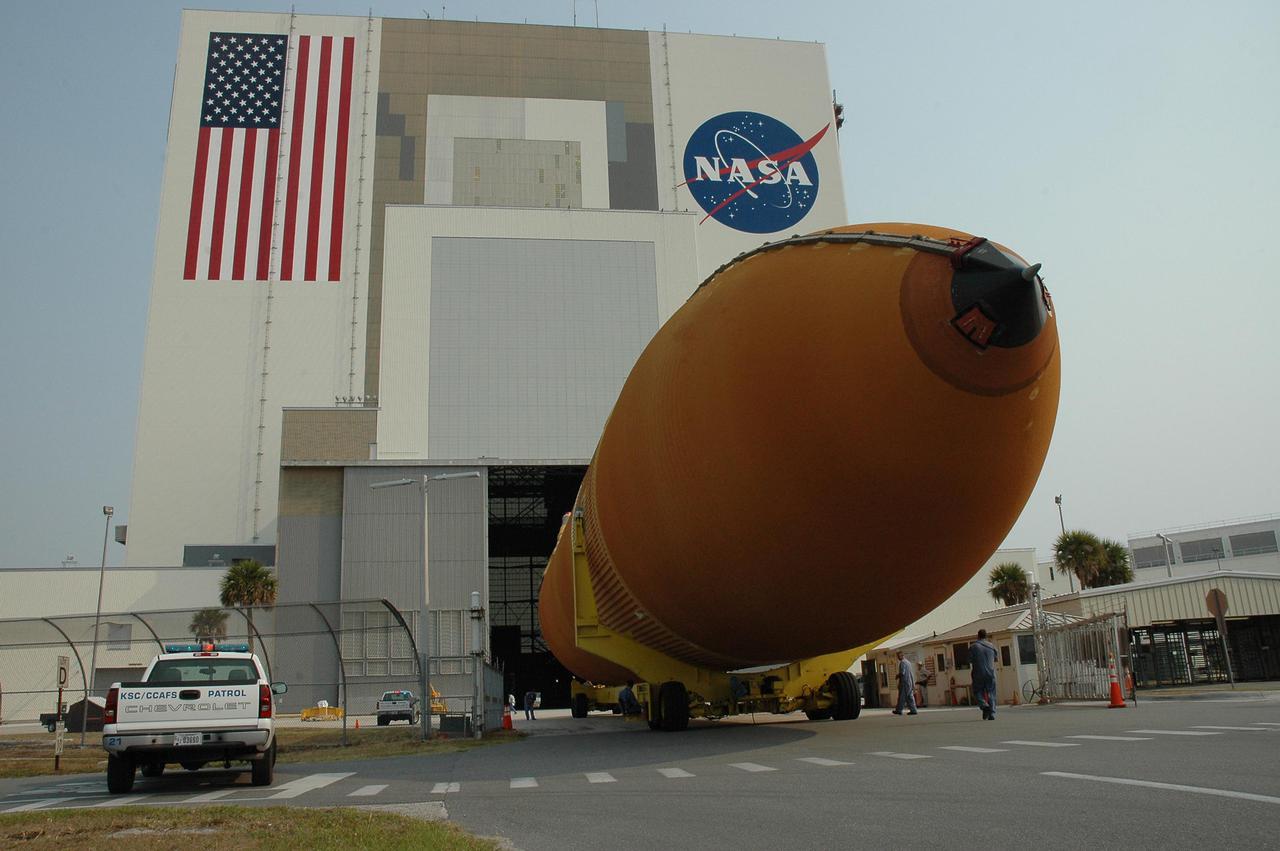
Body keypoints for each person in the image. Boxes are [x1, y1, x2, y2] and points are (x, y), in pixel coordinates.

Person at [969, 628, 998, 720]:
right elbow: (996, 658)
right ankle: (992, 713)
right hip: (991, 672)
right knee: (991, 692)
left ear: (978, 636)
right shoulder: (992, 646)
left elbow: (969, 660)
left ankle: (984, 705)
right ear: (986, 636)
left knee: (977, 691)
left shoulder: (974, 646)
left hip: (978, 672)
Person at [892, 650, 918, 716]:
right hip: (909, 682)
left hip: (904, 682)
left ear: (901, 656)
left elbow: (902, 673)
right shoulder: (908, 662)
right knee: (909, 697)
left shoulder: (902, 663)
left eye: (898, 656)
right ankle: (913, 710)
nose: (898, 658)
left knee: (902, 697)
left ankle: (899, 710)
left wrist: (897, 676)